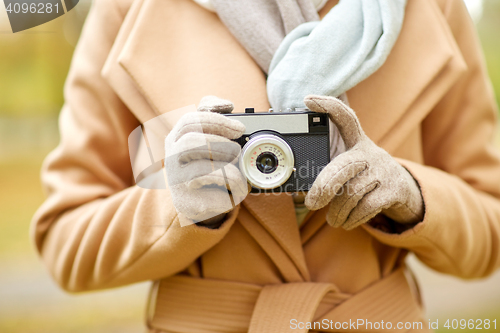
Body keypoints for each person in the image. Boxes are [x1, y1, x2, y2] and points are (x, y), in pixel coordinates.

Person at [31, 0, 500, 332]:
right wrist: (177, 208)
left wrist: (413, 195)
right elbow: (65, 240)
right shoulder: (129, 9)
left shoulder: (432, 8)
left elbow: (490, 226)